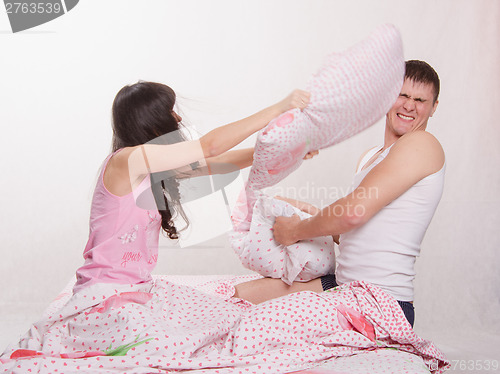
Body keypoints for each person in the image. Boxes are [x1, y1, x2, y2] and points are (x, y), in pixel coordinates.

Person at [233, 60, 444, 328]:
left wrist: (297, 229)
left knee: (254, 325)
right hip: (344, 287)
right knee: (238, 300)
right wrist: (305, 209)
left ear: (434, 107)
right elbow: (356, 233)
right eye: (402, 95)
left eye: (420, 99)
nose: (409, 105)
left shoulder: (422, 143)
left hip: (380, 301)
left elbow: (353, 212)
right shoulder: (371, 157)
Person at [73, 81, 311, 293]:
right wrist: (279, 108)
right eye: (169, 111)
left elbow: (214, 162)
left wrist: (286, 151)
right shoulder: (128, 160)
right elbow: (210, 148)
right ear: (149, 118)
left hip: (132, 289)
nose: (177, 118)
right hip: (105, 292)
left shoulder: (149, 166)